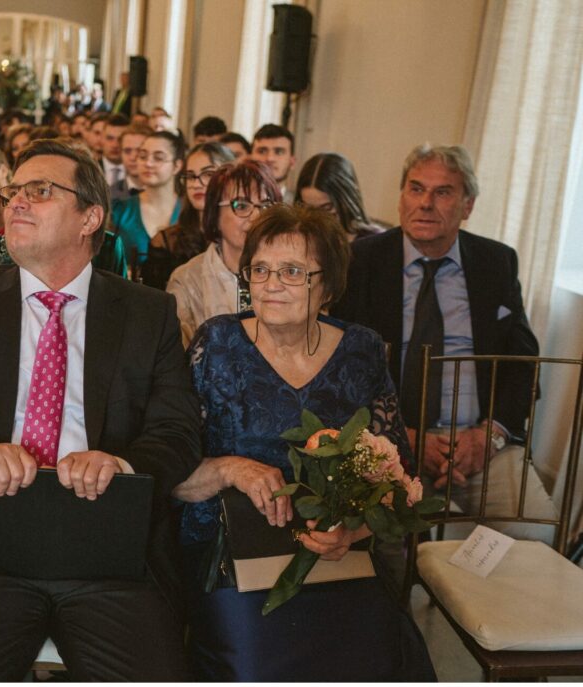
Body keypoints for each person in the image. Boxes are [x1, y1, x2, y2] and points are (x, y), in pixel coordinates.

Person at [0, 138, 200, 680]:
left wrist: (119, 466)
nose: (16, 203)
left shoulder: (147, 313)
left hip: (105, 544)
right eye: (13, 192)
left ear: (90, 217)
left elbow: (178, 432)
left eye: (40, 191)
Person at [173, 204, 436, 681]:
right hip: (236, 560)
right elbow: (171, 467)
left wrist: (353, 532)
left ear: (329, 285)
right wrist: (231, 468)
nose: (272, 283)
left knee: (380, 659)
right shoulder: (217, 346)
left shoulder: (361, 350)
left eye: (292, 271)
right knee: (256, 666)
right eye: (261, 269)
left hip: (339, 558)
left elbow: (401, 477)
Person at [333, 144, 546, 524]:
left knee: (535, 533)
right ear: (401, 198)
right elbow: (342, 369)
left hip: (478, 444)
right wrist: (404, 436)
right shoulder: (362, 261)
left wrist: (488, 437)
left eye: (443, 192)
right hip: (388, 443)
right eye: (416, 189)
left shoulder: (495, 263)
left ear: (468, 206)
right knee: (389, 547)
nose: (426, 203)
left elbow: (522, 362)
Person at [167, 159, 281, 347]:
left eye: (265, 206)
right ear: (214, 214)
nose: (256, 216)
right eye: (242, 206)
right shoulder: (186, 280)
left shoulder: (290, 274)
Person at [142, 141, 234, 290]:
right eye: (191, 176)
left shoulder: (240, 238)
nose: (196, 184)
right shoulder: (166, 241)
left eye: (208, 174)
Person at [109, 131, 185, 271]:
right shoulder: (119, 210)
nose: (148, 163)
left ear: (177, 166)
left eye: (158, 158)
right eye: (143, 156)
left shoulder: (188, 212)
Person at [296, 152, 385, 241]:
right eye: (307, 208)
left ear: (347, 199)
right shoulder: (297, 237)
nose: (316, 219)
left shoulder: (375, 241)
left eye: (327, 208)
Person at [250, 123, 296, 202]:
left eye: (279, 152)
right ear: (250, 158)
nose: (270, 158)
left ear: (292, 162)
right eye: (262, 151)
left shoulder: (302, 206)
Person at [108, 123, 151, 201]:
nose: (133, 157)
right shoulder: (110, 195)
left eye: (139, 151)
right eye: (127, 151)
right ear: (121, 153)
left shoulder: (168, 195)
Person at [99, 113, 129, 186]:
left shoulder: (137, 173)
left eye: (120, 139)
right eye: (109, 138)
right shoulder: (90, 170)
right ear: (101, 139)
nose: (115, 145)